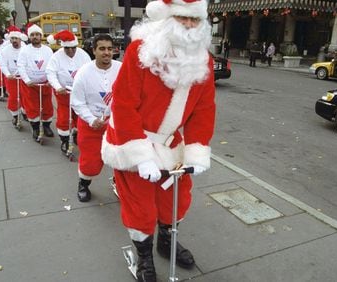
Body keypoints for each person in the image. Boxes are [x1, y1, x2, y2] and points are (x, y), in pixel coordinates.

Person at [101, 1, 216, 281]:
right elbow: (124, 104)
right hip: (134, 139)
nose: (189, 25)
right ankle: (144, 257)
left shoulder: (205, 60)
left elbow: (203, 109)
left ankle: (165, 241)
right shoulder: (140, 51)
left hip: (171, 144)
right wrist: (140, 155)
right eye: (182, 17)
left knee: (175, 202)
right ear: (165, 17)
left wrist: (196, 150)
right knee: (141, 208)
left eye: (195, 20)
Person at [70, 34, 122, 202]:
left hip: (117, 124)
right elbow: (77, 102)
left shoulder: (122, 68)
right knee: (91, 160)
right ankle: (83, 183)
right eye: (102, 49)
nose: (106, 52)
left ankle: (119, 183)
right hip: (90, 124)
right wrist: (91, 119)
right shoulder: (84, 73)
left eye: (109, 49)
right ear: (94, 51)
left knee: (121, 157)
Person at [46, 30, 91, 155]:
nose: (70, 51)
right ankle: (65, 140)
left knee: (80, 115)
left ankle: (77, 133)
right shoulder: (56, 56)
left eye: (73, 48)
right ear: (63, 46)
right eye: (67, 48)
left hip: (80, 93)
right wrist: (57, 86)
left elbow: (89, 70)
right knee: (64, 116)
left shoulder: (83, 55)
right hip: (63, 93)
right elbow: (50, 72)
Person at [17, 24, 54, 141]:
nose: (35, 37)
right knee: (33, 107)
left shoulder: (48, 50)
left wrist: (51, 80)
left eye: (37, 35)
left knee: (47, 106)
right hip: (31, 85)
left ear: (41, 36)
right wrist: (27, 80)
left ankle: (47, 125)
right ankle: (36, 128)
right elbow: (21, 66)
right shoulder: (24, 50)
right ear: (29, 37)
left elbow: (52, 66)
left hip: (45, 84)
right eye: (32, 35)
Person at [0, 26, 28, 127]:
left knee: (25, 96)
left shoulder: (26, 49)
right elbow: (2, 64)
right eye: (12, 38)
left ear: (20, 39)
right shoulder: (5, 50)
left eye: (16, 38)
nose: (14, 40)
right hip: (12, 78)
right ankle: (15, 116)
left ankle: (25, 112)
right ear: (10, 39)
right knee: (14, 97)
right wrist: (8, 74)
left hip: (24, 78)